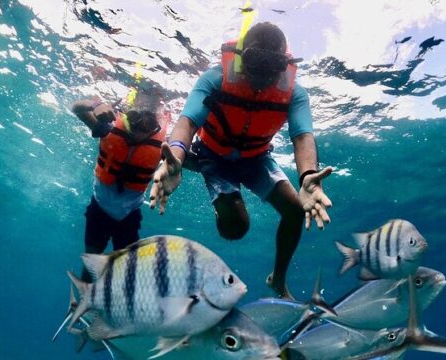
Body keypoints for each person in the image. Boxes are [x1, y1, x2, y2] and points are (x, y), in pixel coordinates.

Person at [149, 22, 333, 298]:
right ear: (240, 59)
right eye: (254, 65)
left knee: (295, 210)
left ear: (283, 67)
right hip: (215, 155)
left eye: (269, 70)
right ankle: (196, 166)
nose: (260, 78)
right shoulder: (214, 79)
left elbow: (302, 137)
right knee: (236, 227)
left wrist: (307, 176)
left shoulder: (295, 94)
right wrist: (175, 155)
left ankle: (278, 279)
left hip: (256, 158)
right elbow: (187, 122)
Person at [72, 91, 167, 283]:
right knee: (92, 260)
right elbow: (77, 108)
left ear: (156, 125)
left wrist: (177, 167)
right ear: (125, 114)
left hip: (128, 216)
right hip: (99, 209)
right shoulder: (107, 128)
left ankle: (111, 305)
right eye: (134, 118)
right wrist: (94, 105)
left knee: (125, 269)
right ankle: (83, 302)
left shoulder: (163, 146)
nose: (139, 129)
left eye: (147, 124)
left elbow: (184, 158)